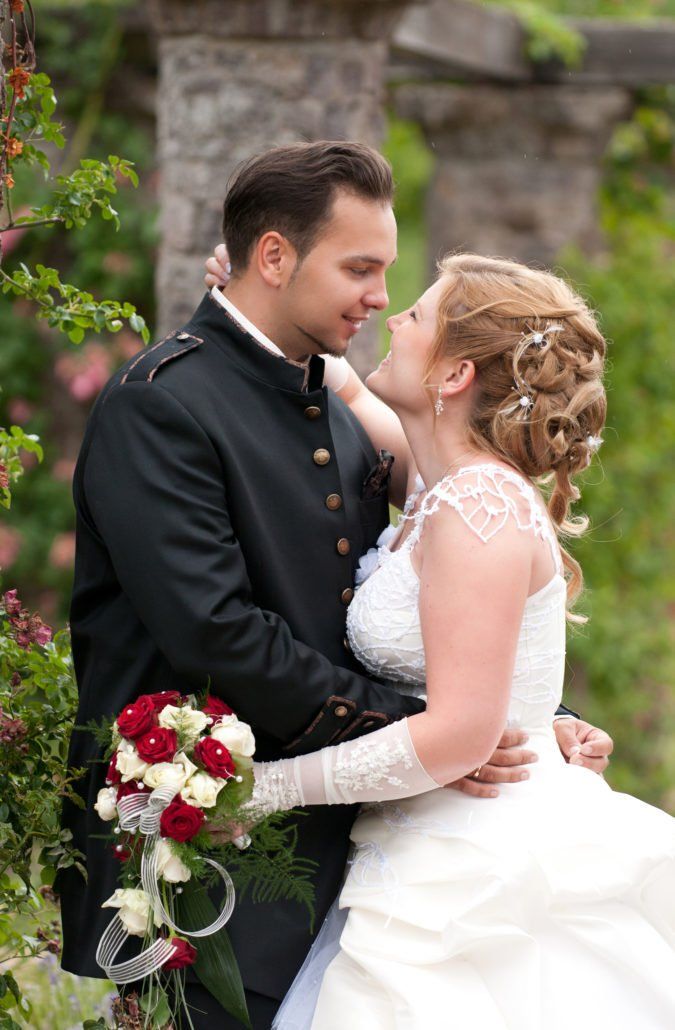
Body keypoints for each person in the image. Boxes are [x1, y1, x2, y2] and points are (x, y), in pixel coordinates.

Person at [59, 141, 611, 1030]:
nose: (382, 298)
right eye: (359, 268)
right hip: (215, 876)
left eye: (389, 274)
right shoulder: (163, 403)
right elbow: (218, 632)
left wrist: (511, 718)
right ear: (274, 257)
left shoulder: (344, 408)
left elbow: (460, 590)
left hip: (361, 866)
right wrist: (442, 732)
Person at [210, 251, 675, 1029]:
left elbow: (461, 734)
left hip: (479, 861)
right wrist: (259, 290)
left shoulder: (477, 510)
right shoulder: (443, 488)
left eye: (416, 315)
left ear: (455, 375)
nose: (392, 318)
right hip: (425, 838)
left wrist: (264, 791)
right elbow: (345, 386)